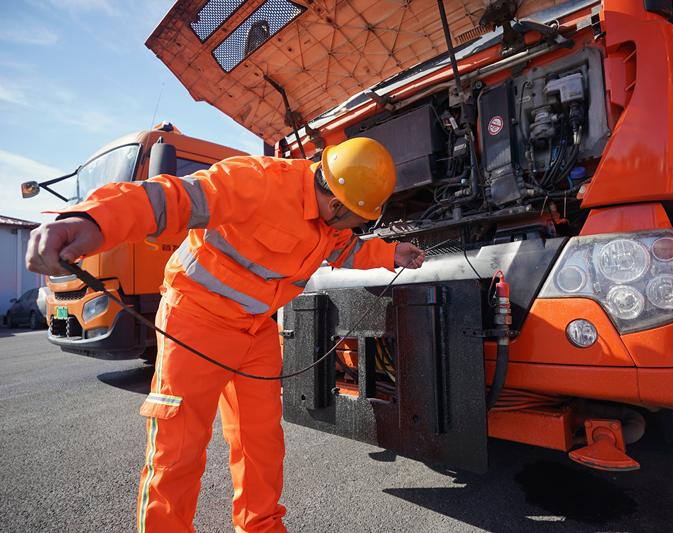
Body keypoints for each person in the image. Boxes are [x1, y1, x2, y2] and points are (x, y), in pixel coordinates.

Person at [26, 137, 425, 532]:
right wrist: (93, 219)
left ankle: (260, 526)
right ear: (337, 204)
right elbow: (173, 198)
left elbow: (343, 249)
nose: (358, 227)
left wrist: (391, 254)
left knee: (261, 444)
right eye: (358, 218)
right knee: (178, 450)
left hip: (256, 331)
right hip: (196, 321)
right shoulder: (258, 180)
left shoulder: (329, 220)